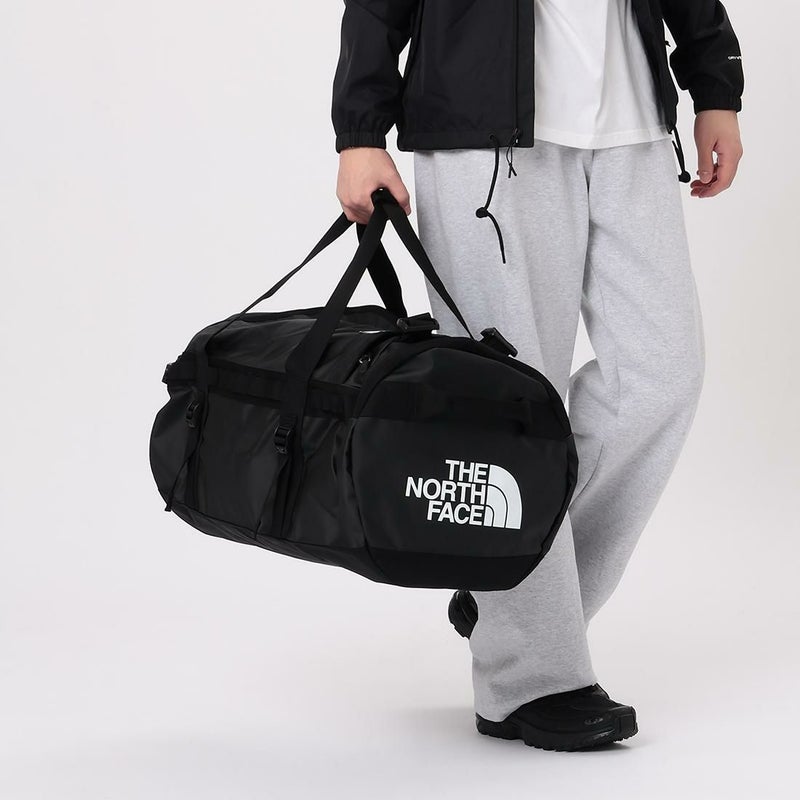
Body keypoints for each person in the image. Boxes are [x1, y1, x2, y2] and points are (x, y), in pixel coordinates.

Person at [331, 0, 744, 751]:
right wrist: (360, 131)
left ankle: (505, 594)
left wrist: (715, 85)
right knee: (505, 411)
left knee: (663, 373)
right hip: (480, 134)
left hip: (632, 129)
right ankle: (529, 677)